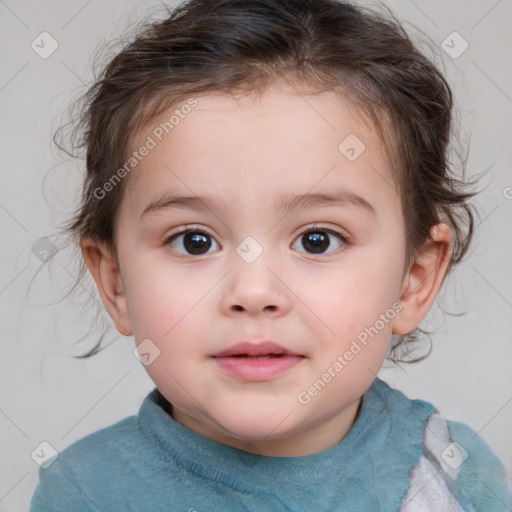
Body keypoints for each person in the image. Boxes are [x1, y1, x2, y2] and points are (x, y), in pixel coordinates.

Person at [30, 0, 511, 510]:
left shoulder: (450, 473)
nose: (253, 292)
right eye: (194, 240)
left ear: (414, 279)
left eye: (317, 240)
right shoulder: (88, 492)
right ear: (116, 282)